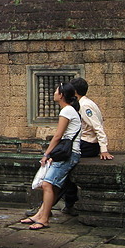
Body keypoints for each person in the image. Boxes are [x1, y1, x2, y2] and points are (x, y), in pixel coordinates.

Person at [20, 82, 82, 230]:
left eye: (56, 91)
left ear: (61, 95)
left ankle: (45, 219)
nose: (54, 93)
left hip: (69, 154)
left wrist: (46, 154)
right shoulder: (70, 110)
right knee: (52, 186)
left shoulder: (66, 111)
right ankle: (40, 214)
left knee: (47, 184)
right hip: (71, 153)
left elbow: (58, 136)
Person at [54, 77, 113, 216]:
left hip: (87, 144)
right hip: (84, 142)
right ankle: (65, 202)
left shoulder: (85, 105)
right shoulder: (82, 103)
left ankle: (60, 203)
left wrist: (103, 149)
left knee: (62, 165)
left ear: (74, 92)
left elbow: (97, 127)